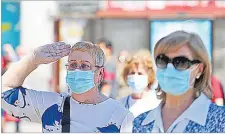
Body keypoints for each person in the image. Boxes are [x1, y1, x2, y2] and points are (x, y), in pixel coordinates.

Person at [2, 41, 134, 133]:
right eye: (72, 65)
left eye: (84, 66)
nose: (77, 70)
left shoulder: (120, 116)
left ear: (100, 74)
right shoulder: (51, 106)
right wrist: (33, 59)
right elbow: (4, 92)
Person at [133, 31, 225, 133]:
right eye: (162, 60)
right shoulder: (139, 123)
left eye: (181, 62)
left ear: (199, 69)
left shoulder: (220, 120)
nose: (169, 68)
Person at [119, 50, 161, 118]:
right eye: (132, 73)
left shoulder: (156, 103)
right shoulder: (120, 104)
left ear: (149, 76)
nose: (135, 76)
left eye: (140, 73)